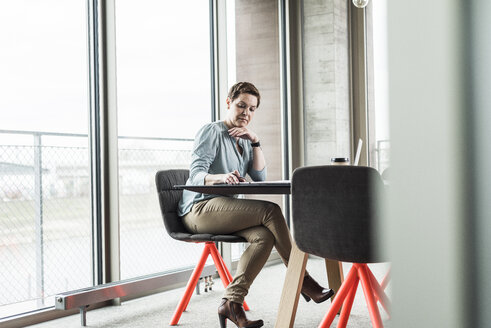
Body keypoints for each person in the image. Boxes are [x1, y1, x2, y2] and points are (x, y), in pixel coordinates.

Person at [178, 82, 333, 328]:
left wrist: (256, 142)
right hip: (199, 210)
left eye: (252, 109)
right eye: (241, 106)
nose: (246, 113)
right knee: (270, 211)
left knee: (264, 237)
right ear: (228, 103)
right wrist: (222, 176)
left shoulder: (245, 139)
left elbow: (259, 178)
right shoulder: (212, 132)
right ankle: (302, 279)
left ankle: (231, 302)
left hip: (225, 212)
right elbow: (195, 174)